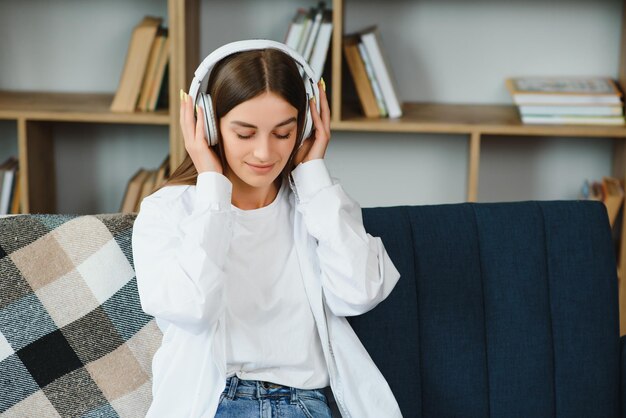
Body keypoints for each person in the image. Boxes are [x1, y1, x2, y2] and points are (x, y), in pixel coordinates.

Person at [132, 40, 402, 418]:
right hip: (212, 402)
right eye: (245, 134)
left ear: (305, 126)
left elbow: (359, 294)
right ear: (208, 126)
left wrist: (313, 176)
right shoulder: (168, 211)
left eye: (282, 133)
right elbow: (194, 309)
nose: (264, 153)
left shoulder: (316, 204)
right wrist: (211, 184)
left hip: (303, 404)